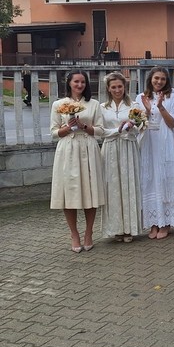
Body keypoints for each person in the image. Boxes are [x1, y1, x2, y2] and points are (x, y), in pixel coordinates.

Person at [50, 69, 105, 253]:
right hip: (68, 148)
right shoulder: (59, 104)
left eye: (83, 82)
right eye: (76, 82)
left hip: (88, 147)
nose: (80, 85)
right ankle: (74, 234)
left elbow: (100, 130)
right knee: (69, 192)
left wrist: (84, 127)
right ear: (69, 83)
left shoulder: (94, 104)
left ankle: (89, 233)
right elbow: (53, 132)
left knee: (90, 190)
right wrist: (68, 128)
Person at [135, 66, 174, 240]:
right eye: (156, 78)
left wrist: (161, 107)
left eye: (163, 79)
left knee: (166, 179)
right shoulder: (141, 97)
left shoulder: (173, 97)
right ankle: (154, 222)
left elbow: (172, 124)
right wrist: (147, 111)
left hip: (166, 141)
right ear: (150, 79)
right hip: (149, 141)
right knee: (150, 180)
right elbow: (138, 122)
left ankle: (166, 223)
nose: (159, 82)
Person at [100, 72, 142, 243]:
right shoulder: (102, 107)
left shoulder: (133, 105)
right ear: (108, 89)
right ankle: (116, 228)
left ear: (125, 87)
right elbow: (100, 130)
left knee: (128, 184)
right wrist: (116, 130)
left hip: (128, 147)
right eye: (114, 87)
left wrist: (132, 126)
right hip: (110, 148)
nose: (117, 90)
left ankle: (129, 228)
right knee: (113, 187)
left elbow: (140, 127)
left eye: (120, 86)